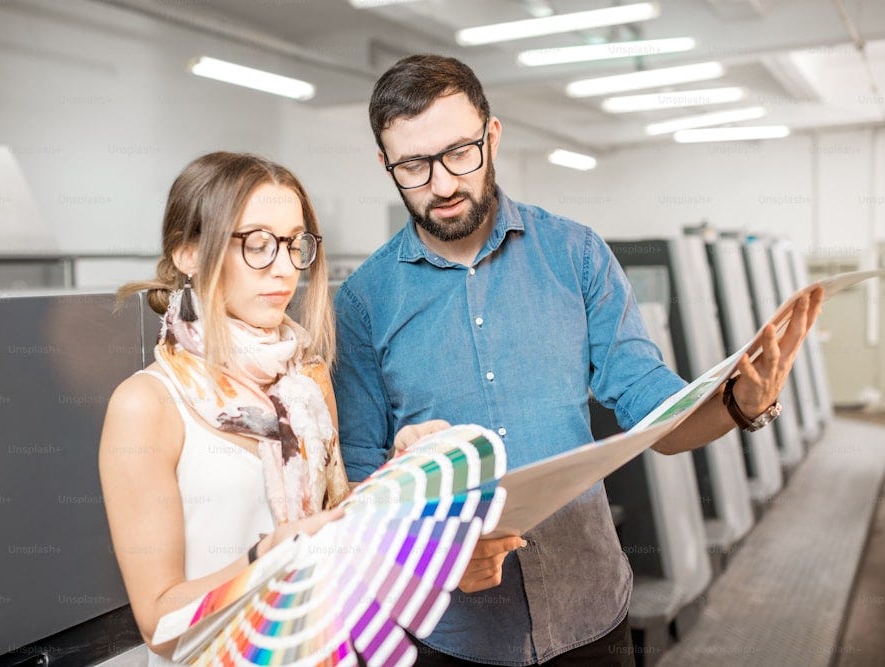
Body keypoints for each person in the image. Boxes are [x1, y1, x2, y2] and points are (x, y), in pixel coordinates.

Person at [331, 54, 823, 666]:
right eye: (413, 165)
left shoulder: (576, 255)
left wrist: (739, 404)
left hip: (588, 610)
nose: (443, 184)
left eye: (461, 151)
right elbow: (356, 480)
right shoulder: (359, 303)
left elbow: (655, 413)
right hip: (451, 633)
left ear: (493, 134)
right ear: (386, 164)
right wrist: (430, 554)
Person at [99, 152, 349, 663]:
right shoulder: (147, 404)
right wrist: (264, 559)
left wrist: (411, 470)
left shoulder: (305, 384)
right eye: (257, 244)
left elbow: (332, 529)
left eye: (294, 244)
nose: (284, 268)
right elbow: (161, 624)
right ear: (188, 252)